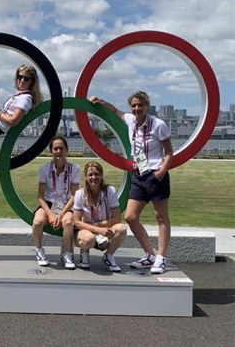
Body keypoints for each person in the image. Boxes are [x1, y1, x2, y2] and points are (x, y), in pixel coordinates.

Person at [90, 91, 173, 274]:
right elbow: (115, 111)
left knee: (161, 217)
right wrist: (100, 101)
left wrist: (163, 170)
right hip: (138, 174)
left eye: (140, 105)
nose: (136, 109)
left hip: (156, 174)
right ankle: (149, 255)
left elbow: (169, 152)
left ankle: (161, 258)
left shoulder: (158, 125)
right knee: (130, 217)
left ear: (147, 106)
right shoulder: (130, 120)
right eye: (134, 106)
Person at [32, 136, 80, 269]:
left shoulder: (75, 169)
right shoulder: (44, 169)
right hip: (49, 203)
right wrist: (51, 215)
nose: (58, 151)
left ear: (67, 150)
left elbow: (74, 196)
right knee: (37, 221)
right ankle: (39, 250)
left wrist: (60, 215)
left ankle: (68, 253)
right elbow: (40, 196)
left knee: (68, 222)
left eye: (61, 148)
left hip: (66, 204)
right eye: (55, 149)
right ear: (51, 151)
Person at [72, 161, 127, 272]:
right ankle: (84, 252)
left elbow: (117, 218)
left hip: (103, 229)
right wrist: (97, 229)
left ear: (101, 176)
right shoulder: (79, 194)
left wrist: (101, 228)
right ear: (86, 177)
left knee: (122, 228)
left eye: (97, 174)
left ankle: (109, 256)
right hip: (85, 230)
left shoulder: (110, 191)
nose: (94, 177)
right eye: (90, 175)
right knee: (88, 239)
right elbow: (77, 222)